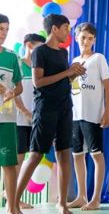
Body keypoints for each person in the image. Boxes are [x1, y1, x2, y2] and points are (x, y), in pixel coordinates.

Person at [16, 14, 85, 214]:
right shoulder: (40, 51)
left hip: (65, 107)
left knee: (64, 154)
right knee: (36, 154)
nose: (68, 32)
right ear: (54, 29)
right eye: (65, 28)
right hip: (45, 108)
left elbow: (64, 80)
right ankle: (14, 202)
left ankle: (62, 204)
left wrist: (73, 74)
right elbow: (38, 82)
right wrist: (67, 72)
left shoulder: (63, 53)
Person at [68, 22, 109, 211]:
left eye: (90, 38)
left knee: (96, 155)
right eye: (83, 37)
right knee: (77, 155)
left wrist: (107, 111)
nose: (86, 41)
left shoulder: (98, 58)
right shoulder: (75, 61)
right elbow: (73, 87)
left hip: (93, 115)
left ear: (94, 40)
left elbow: (108, 86)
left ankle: (96, 199)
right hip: (75, 115)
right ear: (76, 38)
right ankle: (81, 196)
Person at [15, 33, 45, 210]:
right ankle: (14, 199)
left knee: (30, 157)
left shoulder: (39, 69)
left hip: (35, 121)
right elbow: (13, 92)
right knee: (18, 159)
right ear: (28, 45)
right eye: (38, 48)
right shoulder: (18, 64)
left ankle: (13, 194)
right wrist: (26, 113)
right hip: (19, 120)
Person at [0, 14, 24, 214]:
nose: (4, 33)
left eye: (7, 29)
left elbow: (19, 87)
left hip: (6, 118)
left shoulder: (11, 56)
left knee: (8, 163)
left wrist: (11, 92)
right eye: (1, 29)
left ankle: (12, 208)